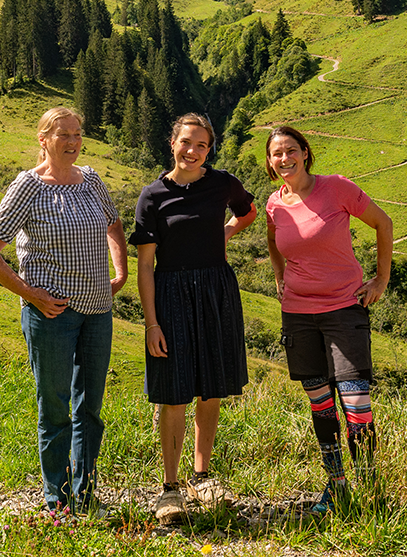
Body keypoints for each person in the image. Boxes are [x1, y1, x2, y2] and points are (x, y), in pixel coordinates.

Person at [0, 107, 128, 514]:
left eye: (78, 133)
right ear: (43, 139)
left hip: (98, 310)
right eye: (63, 134)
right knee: (56, 407)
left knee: (90, 408)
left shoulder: (91, 179)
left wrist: (121, 270)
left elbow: (113, 225)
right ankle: (56, 501)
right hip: (51, 316)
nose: (73, 141)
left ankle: (86, 495)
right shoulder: (28, 186)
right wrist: (31, 294)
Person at [130, 113, 257, 524]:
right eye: (187, 142)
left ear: (209, 149)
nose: (193, 151)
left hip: (216, 291)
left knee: (211, 387)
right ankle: (170, 488)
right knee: (173, 394)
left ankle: (202, 477)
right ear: (172, 143)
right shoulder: (152, 196)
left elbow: (248, 212)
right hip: (170, 294)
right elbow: (145, 266)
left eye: (202, 145)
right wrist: (152, 323)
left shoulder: (223, 183)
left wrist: (222, 235)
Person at [264, 125, 392, 514]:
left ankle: (369, 492)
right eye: (276, 154)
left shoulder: (335, 187)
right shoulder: (274, 204)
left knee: (356, 402)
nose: (284, 159)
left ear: (305, 152)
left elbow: (383, 223)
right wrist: (280, 277)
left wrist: (381, 278)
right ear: (270, 163)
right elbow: (274, 240)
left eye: (290, 150)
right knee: (320, 404)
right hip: (299, 316)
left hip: (344, 309)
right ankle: (337, 486)